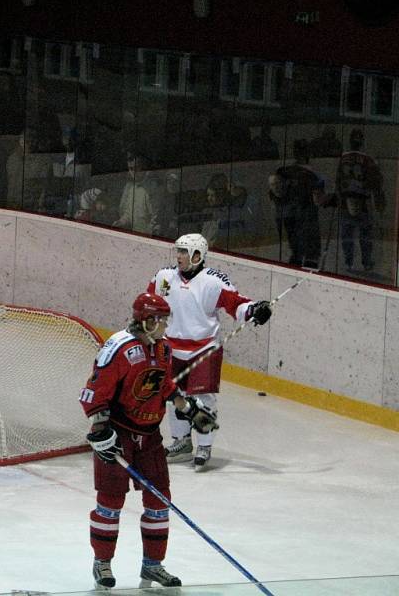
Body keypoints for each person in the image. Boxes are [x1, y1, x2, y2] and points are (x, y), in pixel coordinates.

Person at [81, 293, 217, 589]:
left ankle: (152, 566)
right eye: (162, 320)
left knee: (159, 502)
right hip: (118, 434)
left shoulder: (163, 349)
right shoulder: (118, 349)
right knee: (110, 502)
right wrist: (101, 430)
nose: (166, 325)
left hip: (150, 436)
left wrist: (189, 410)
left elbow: (163, 386)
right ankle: (102, 563)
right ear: (148, 320)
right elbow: (93, 393)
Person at [148, 233, 272, 468]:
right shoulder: (164, 277)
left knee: (203, 398)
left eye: (184, 252)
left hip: (204, 349)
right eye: (179, 251)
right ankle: (182, 441)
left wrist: (255, 309)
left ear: (198, 255)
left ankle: (204, 444)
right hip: (170, 348)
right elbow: (150, 303)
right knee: (173, 396)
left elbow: (236, 304)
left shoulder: (213, 281)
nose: (179, 257)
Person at [268, 139, 326, 267]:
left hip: (291, 217)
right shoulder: (315, 175)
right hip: (304, 217)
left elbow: (274, 194)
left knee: (297, 251)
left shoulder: (284, 171)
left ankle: (298, 264)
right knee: (309, 252)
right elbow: (318, 200)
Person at [336, 128, 384, 273]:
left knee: (347, 234)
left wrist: (339, 195)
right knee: (365, 234)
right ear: (362, 142)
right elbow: (377, 181)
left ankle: (348, 262)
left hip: (346, 200)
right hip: (363, 201)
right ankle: (367, 262)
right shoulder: (368, 159)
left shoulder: (343, 158)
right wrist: (378, 197)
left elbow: (338, 180)